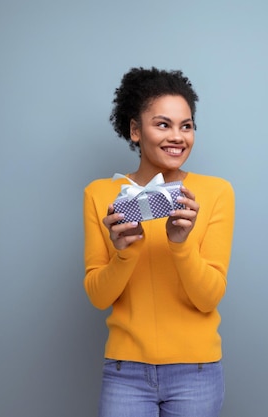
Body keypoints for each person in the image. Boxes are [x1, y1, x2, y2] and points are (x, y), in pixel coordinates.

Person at [83, 67, 235, 417]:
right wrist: (123, 254)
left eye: (187, 125)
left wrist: (181, 246)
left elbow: (209, 296)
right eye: (163, 124)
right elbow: (98, 296)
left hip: (196, 371)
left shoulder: (215, 192)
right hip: (126, 372)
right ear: (135, 130)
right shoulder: (100, 194)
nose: (178, 136)